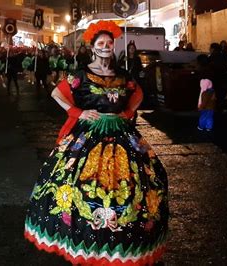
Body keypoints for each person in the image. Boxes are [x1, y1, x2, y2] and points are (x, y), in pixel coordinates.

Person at [24, 20, 169, 265]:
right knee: (75, 183)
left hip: (122, 134)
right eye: (100, 43)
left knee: (139, 183)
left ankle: (123, 241)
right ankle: (87, 240)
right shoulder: (81, 75)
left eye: (109, 43)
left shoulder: (122, 76)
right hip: (89, 135)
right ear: (93, 47)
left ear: (113, 46)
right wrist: (78, 113)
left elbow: (138, 94)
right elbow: (56, 93)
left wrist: (127, 113)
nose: (105, 47)